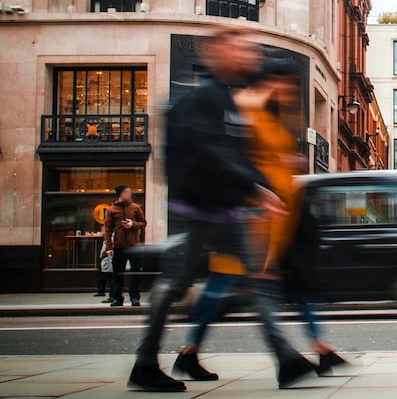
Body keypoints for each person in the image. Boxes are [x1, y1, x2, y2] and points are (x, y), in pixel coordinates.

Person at [128, 27, 315, 392]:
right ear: (216, 52)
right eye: (240, 49)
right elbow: (208, 152)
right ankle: (146, 362)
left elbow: (237, 156)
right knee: (175, 286)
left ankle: (287, 359)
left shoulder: (227, 100)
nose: (249, 55)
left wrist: (259, 189)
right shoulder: (204, 98)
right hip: (197, 211)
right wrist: (256, 190)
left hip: (227, 211)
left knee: (257, 284)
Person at [173, 60, 347, 380]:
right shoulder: (249, 109)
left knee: (251, 287)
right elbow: (237, 160)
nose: (291, 90)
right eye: (285, 83)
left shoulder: (275, 115)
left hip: (279, 219)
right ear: (269, 81)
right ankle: (194, 352)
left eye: (294, 85)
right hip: (251, 219)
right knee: (225, 287)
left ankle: (316, 350)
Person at [106, 184, 146, 307]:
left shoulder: (135, 207)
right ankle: (118, 298)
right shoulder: (112, 210)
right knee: (118, 273)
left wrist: (132, 224)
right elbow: (108, 229)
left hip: (134, 246)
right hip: (119, 246)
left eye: (129, 192)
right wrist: (109, 247)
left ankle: (134, 297)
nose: (129, 194)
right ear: (120, 194)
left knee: (135, 272)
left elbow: (143, 223)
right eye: (126, 192)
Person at [96, 220, 112, 302]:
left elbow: (104, 250)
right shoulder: (108, 237)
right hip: (108, 260)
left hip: (108, 260)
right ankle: (102, 291)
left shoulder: (109, 238)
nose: (102, 230)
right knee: (109, 277)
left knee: (110, 277)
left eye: (103, 228)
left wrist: (101, 255)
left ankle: (111, 295)